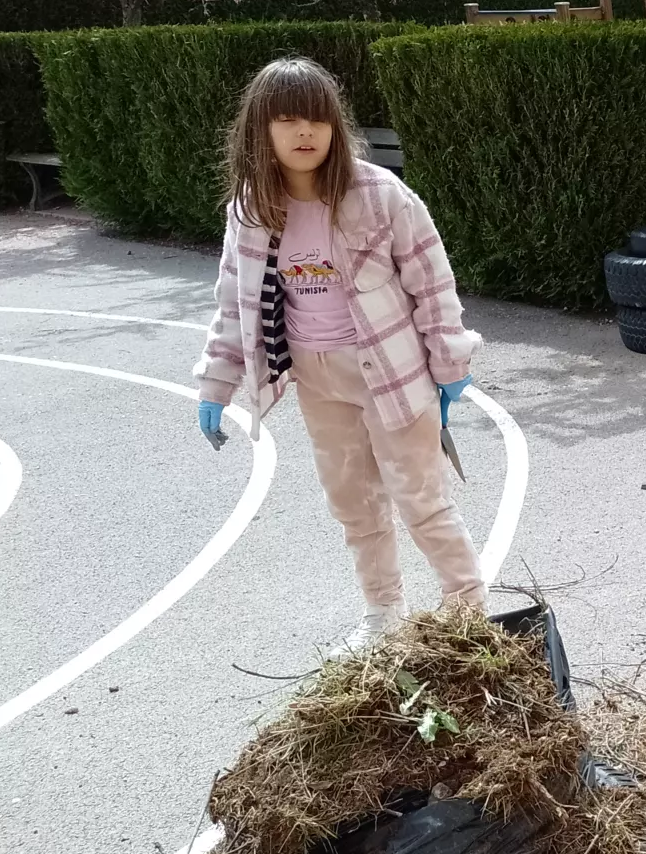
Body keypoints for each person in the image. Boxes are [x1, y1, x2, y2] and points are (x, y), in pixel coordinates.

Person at [195, 56, 485, 655]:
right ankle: (383, 611)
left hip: (392, 375)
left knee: (421, 499)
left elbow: (432, 283)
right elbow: (235, 302)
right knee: (352, 501)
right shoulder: (251, 209)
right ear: (261, 130)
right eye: (288, 120)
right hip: (315, 378)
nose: (305, 134)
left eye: (317, 121)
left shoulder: (380, 196)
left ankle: (469, 615)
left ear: (335, 127)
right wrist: (215, 386)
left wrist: (449, 367)